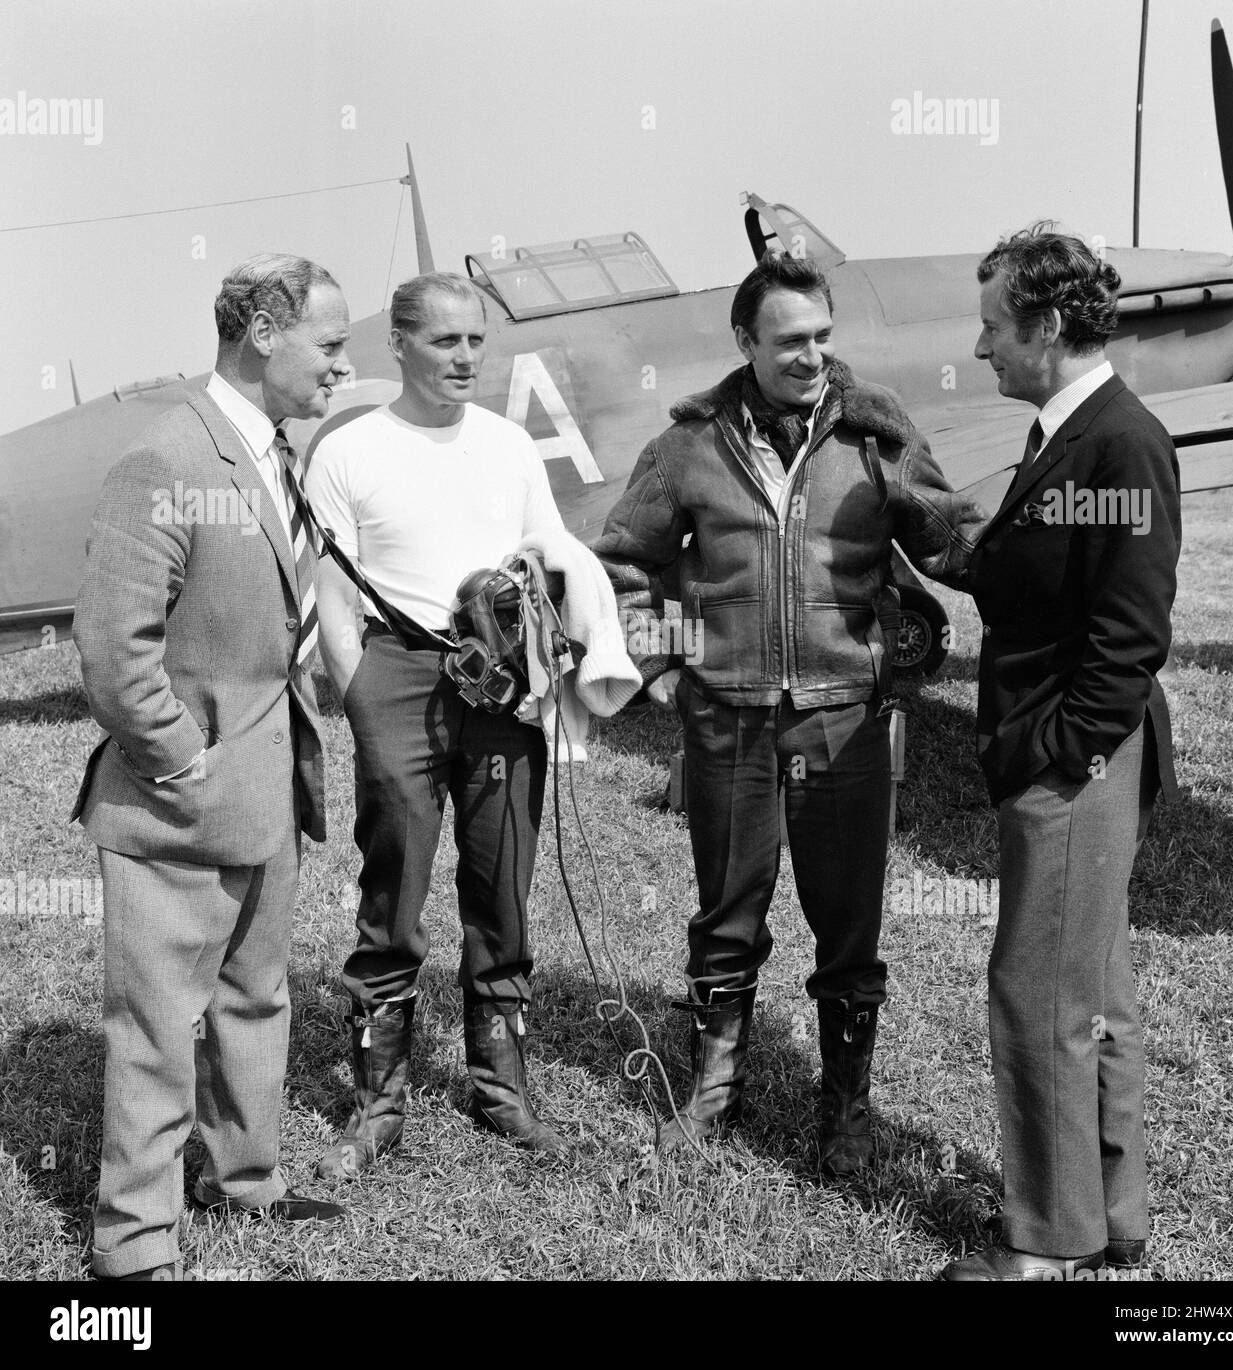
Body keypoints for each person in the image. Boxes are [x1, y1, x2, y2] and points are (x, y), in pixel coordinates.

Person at [594, 251, 983, 1171]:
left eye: (822, 338)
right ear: (745, 342)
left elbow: (956, 542)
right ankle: (714, 1085)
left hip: (843, 716)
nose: (811, 357)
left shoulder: (874, 436)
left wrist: (1057, 571)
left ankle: (844, 1109)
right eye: (789, 342)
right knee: (727, 912)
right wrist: (662, 666)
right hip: (727, 719)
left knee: (849, 924)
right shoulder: (687, 444)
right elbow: (622, 563)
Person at [73, 253, 353, 1281]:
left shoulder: (275, 452)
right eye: (330, 343)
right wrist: (182, 759)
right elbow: (112, 646)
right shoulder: (165, 457)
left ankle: (245, 1181)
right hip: (176, 803)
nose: (342, 365)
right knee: (154, 1024)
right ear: (265, 331)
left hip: (267, 789)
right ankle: (134, 1246)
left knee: (256, 997)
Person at [942, 226, 1180, 1281]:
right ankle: (1111, 1214)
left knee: (1037, 991)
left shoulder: (1119, 442)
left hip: (1076, 765)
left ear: (1043, 325)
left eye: (994, 325)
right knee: (1094, 994)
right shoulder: (1064, 433)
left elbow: (1128, 638)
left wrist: (1059, 755)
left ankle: (1044, 1242)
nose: (980, 345)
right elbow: (1033, 578)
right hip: (1073, 756)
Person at [308, 271, 571, 1175]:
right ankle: (378, 1101)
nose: (466, 358)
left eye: (475, 341)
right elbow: (333, 601)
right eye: (445, 342)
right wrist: (363, 699)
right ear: (401, 344)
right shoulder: (348, 452)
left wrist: (544, 663)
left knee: (502, 887)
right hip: (399, 673)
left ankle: (500, 1088)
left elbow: (547, 559)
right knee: (395, 888)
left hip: (500, 681)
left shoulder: (510, 446)